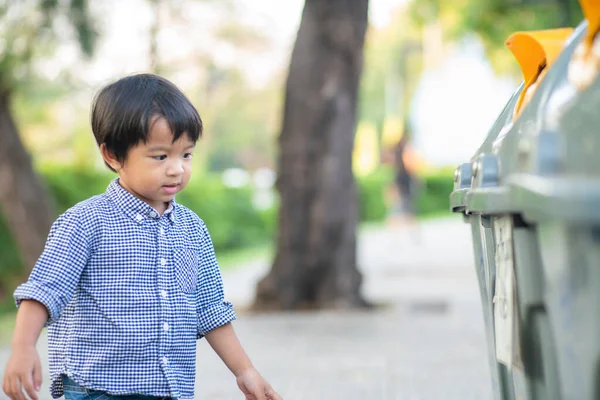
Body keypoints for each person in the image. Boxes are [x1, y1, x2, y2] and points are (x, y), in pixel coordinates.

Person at [1, 74, 282, 400]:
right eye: (160, 156)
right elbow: (45, 290)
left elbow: (209, 309)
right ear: (112, 156)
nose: (177, 168)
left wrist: (245, 371)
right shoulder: (86, 222)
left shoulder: (192, 229)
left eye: (186, 155)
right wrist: (22, 348)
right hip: (98, 389)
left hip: (168, 389)